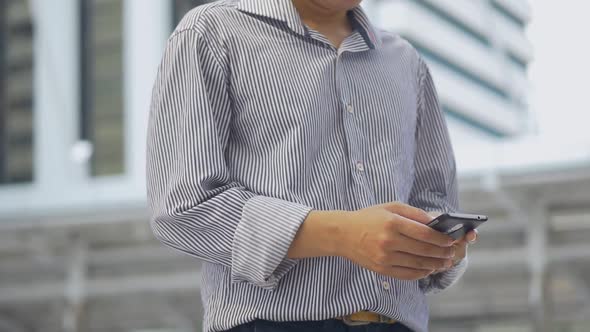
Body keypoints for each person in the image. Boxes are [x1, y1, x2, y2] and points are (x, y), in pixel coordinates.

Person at [146, 0, 478, 331]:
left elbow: (435, 202)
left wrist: (440, 245)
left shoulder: (406, 62)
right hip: (270, 324)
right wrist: (343, 234)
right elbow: (182, 207)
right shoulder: (211, 32)